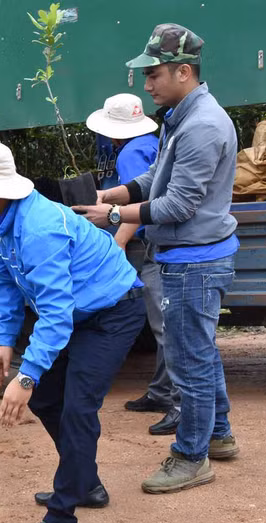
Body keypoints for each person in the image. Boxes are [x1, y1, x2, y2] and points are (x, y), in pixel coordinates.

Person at [0, 139, 146, 523]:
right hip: (77, 314)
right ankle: (86, 481)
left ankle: (62, 517)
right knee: (49, 400)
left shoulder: (39, 227)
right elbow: (5, 282)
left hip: (113, 312)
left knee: (78, 407)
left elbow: (55, 311)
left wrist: (26, 376)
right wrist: (6, 342)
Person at [73, 23, 241, 495]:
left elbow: (176, 206)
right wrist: (116, 191)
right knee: (199, 351)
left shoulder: (203, 125)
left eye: (154, 75)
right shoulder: (181, 116)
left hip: (194, 260)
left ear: (183, 72)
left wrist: (111, 215)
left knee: (188, 361)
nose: (147, 85)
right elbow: (156, 178)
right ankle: (220, 435)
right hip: (192, 254)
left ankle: (191, 456)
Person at [86, 94, 181, 435]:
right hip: (152, 237)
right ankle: (159, 392)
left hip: (143, 241)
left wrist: (119, 240)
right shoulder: (149, 143)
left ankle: (175, 402)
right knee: (160, 320)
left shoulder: (129, 152)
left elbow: (141, 199)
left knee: (162, 322)